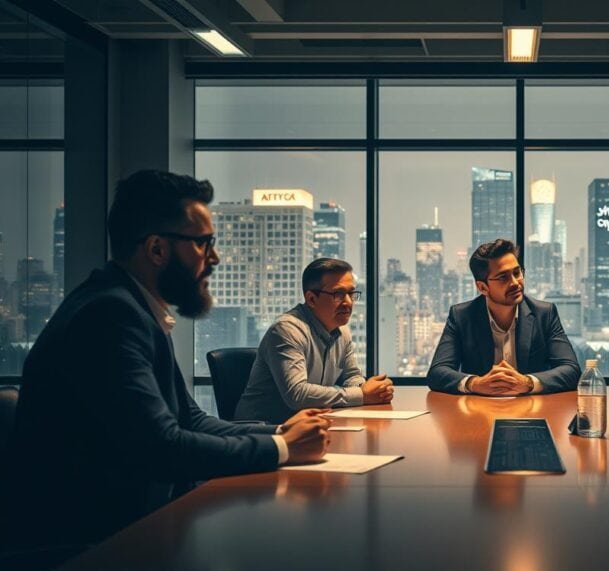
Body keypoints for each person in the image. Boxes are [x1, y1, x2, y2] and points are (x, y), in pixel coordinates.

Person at [4, 170, 330, 550]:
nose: (215, 258)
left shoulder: (131, 307)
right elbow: (161, 448)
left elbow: (189, 419)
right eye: (203, 244)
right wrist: (284, 449)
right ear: (157, 249)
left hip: (129, 532)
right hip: (88, 552)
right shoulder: (110, 315)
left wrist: (279, 432)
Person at [235, 258, 394, 423]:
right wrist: (362, 395)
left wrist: (372, 390)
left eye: (351, 293)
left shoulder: (342, 330)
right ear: (311, 299)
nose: (348, 302)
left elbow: (351, 375)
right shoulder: (287, 330)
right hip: (264, 431)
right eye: (338, 294)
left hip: (313, 425)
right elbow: (297, 395)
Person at [427, 239, 581, 395]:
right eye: (503, 277)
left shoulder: (544, 314)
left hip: (532, 409)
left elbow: (571, 370)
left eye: (516, 273)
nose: (515, 283)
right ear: (482, 287)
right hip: (480, 410)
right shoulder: (462, 317)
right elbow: (437, 372)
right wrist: (474, 383)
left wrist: (528, 383)